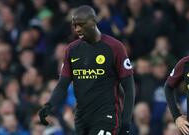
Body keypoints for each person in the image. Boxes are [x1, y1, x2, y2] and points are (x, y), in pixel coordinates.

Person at [38, 5, 135, 135]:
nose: (77, 29)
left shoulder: (115, 47)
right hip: (81, 118)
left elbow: (129, 88)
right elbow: (62, 85)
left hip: (106, 117)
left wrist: (126, 123)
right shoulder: (72, 50)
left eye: (81, 24)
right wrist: (49, 105)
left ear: (93, 22)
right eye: (74, 25)